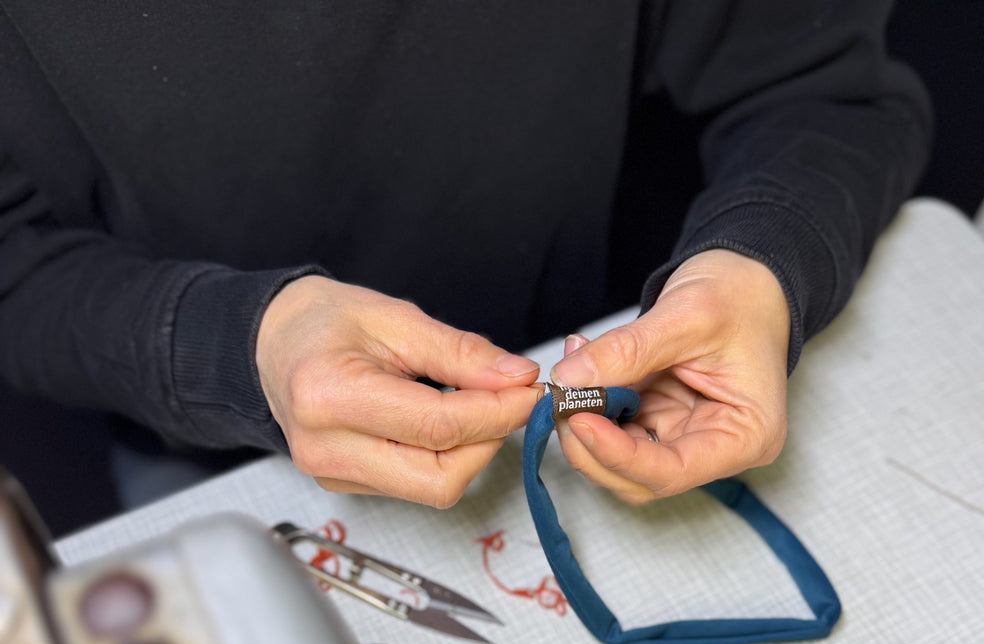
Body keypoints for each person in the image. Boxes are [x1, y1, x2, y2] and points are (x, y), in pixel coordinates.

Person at [0, 1, 930, 509]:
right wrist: (227, 352)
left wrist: (762, 265)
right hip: (211, 457)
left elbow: (829, 95)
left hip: (629, 381)